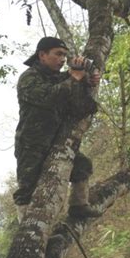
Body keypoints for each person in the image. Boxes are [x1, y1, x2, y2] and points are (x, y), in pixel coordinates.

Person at [14, 37, 101, 222]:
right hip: (31, 144)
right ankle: (25, 232)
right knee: (27, 188)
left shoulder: (62, 77)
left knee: (82, 165)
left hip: (56, 142)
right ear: (42, 55)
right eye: (58, 54)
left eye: (65, 55)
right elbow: (49, 98)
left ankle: (78, 206)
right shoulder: (29, 77)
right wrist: (74, 78)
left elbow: (84, 108)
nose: (62, 59)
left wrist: (87, 81)